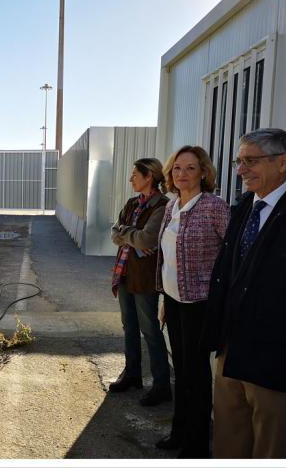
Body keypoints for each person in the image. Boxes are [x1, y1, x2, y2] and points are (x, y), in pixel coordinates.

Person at [202, 128, 286, 458]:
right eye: (239, 161)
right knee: (229, 438)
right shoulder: (243, 207)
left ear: (284, 162)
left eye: (251, 161)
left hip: (276, 358)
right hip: (231, 348)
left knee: (271, 446)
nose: (241, 170)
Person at [155, 146, 229, 458]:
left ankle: (197, 446)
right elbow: (167, 258)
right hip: (173, 300)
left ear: (203, 172)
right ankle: (179, 433)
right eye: (177, 169)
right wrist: (163, 298)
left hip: (200, 304)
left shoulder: (215, 207)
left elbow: (232, 256)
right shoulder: (172, 206)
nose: (182, 174)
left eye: (190, 168)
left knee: (197, 375)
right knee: (181, 371)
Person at [109, 158, 172, 406]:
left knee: (150, 331)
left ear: (149, 177)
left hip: (145, 277)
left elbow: (147, 240)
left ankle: (161, 386)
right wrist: (130, 238)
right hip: (124, 272)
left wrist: (129, 236)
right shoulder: (132, 203)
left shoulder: (162, 206)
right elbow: (114, 233)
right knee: (129, 327)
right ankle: (132, 375)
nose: (131, 178)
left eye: (135, 174)